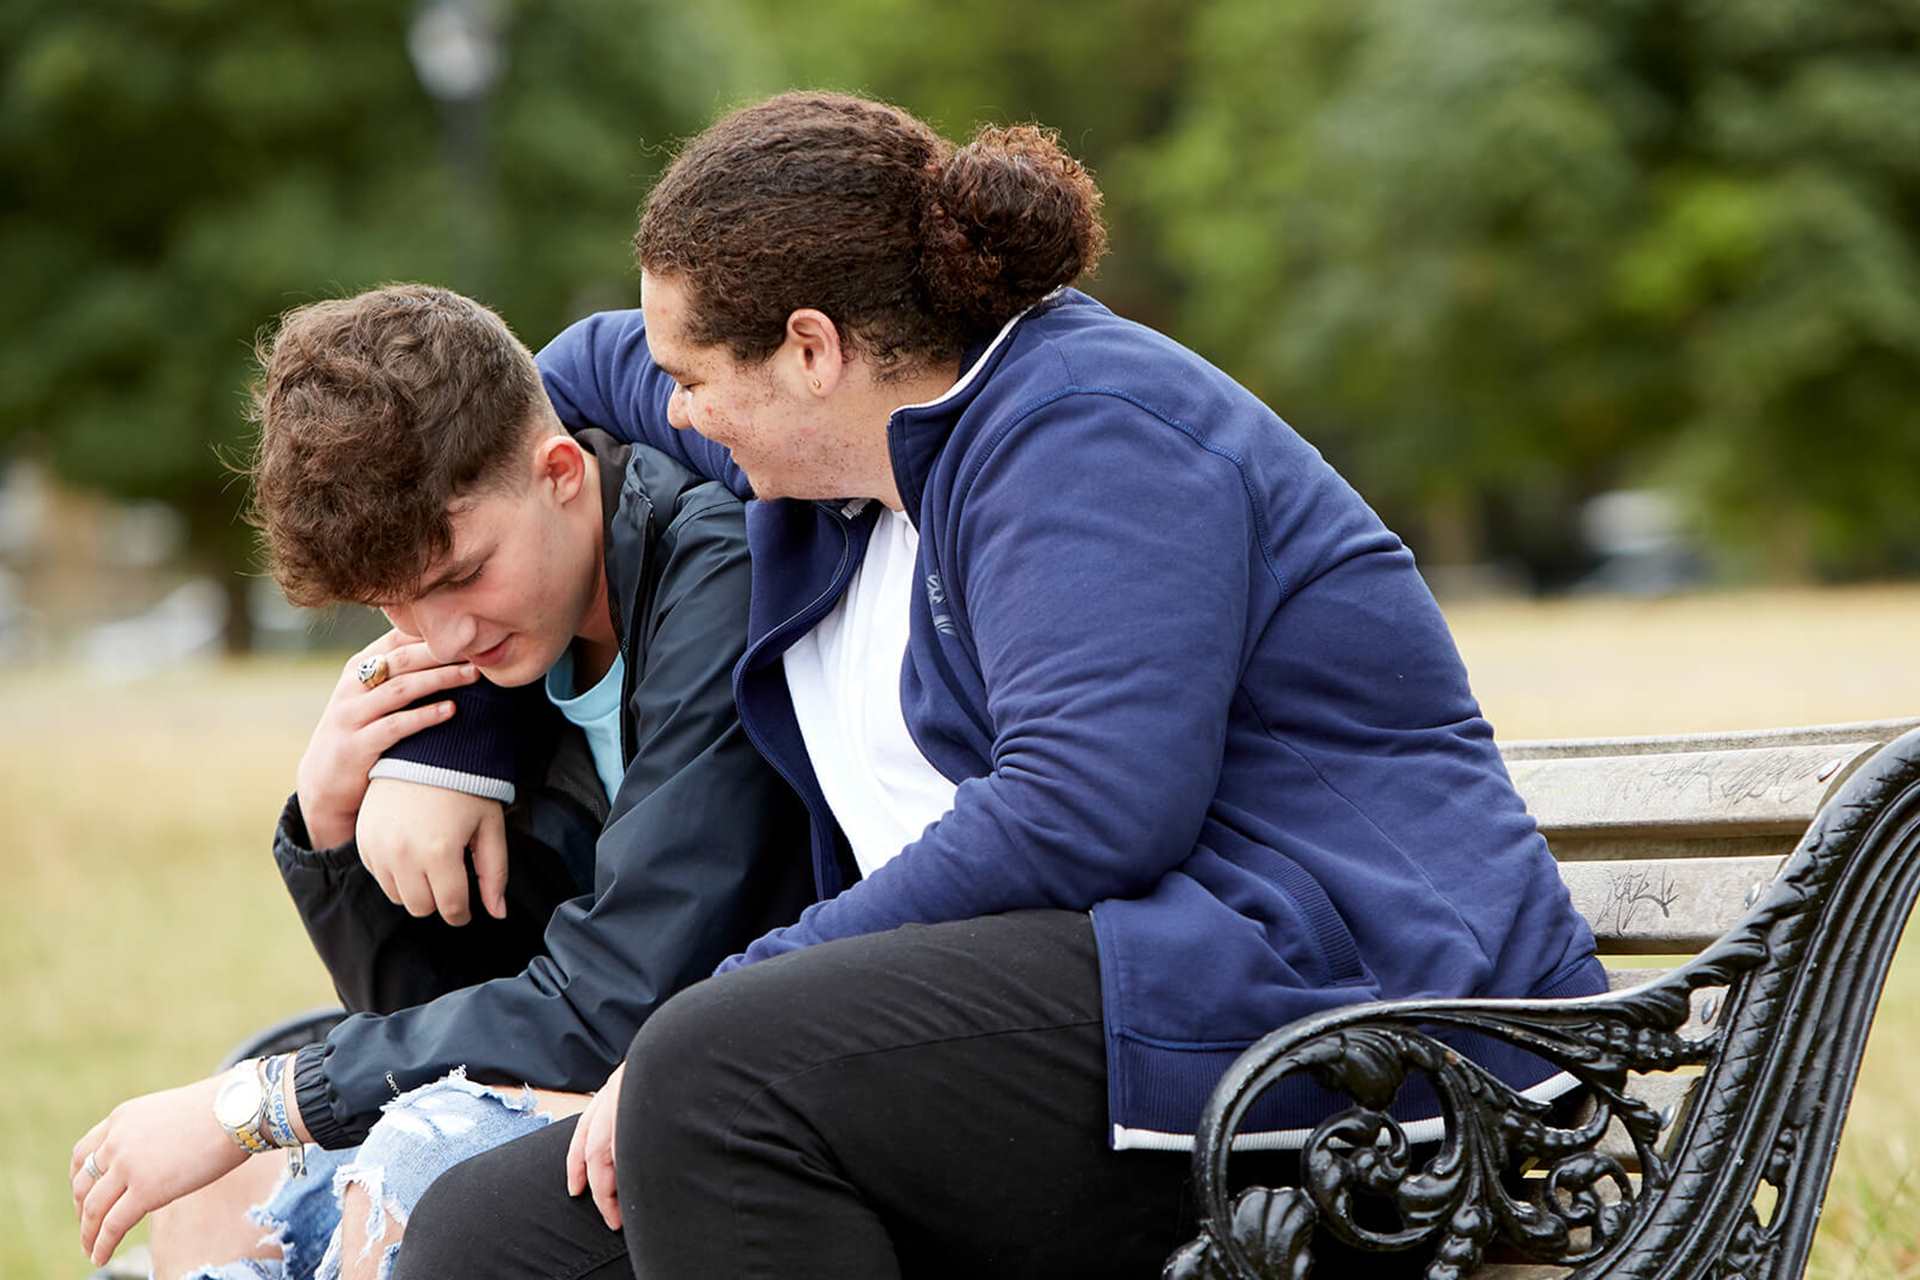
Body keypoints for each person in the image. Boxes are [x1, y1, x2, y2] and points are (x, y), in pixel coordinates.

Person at [369, 91, 1612, 1279]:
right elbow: (557, 391)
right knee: (495, 1237)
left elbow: (1085, 809)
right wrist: (457, 727)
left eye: (694, 380)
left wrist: (748, 990)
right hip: (1129, 1017)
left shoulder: (1087, 430)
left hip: (1359, 1026)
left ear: (812, 348)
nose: (679, 415)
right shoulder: (847, 442)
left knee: (712, 1063)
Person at [67, 284, 812, 1280]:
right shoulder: (490, 656)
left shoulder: (710, 571)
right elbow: (450, 1003)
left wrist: (268, 1100)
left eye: (460, 574)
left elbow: (610, 999)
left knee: (391, 1153)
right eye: (395, 604)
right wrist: (332, 830)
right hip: (577, 1073)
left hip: (725, 1073)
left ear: (559, 474)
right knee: (215, 1187)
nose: (443, 636)